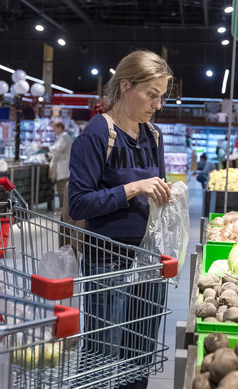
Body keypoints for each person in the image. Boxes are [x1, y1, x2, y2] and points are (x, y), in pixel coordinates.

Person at [68, 50, 172, 389]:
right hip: (107, 262)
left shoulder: (153, 136)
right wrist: (131, 189)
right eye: (152, 95)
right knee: (103, 354)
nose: (157, 105)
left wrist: (166, 194)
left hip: (147, 261)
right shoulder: (97, 135)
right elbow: (79, 203)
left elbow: (154, 192)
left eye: (162, 97)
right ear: (126, 86)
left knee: (139, 357)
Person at [48, 121, 72, 213]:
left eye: (55, 129)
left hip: (62, 168)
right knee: (60, 188)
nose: (54, 132)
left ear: (60, 128)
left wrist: (47, 147)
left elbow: (58, 148)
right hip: (60, 167)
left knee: (62, 188)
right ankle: (62, 207)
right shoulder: (62, 137)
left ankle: (63, 208)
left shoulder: (65, 137)